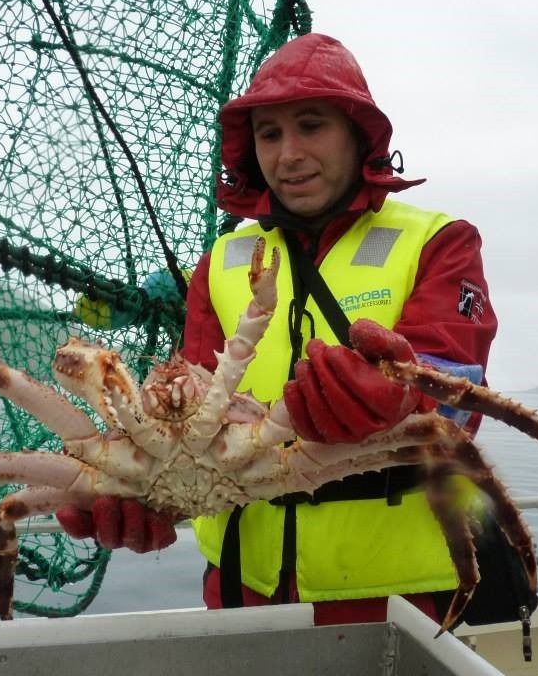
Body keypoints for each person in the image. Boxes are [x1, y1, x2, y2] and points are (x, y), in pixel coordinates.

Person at [56, 32, 497, 626]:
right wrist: (146, 498)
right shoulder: (222, 261)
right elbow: (186, 419)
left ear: (358, 133)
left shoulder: (438, 240)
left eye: (311, 125)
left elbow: (459, 396)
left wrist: (400, 394)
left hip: (397, 595)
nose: (288, 154)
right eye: (269, 134)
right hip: (240, 586)